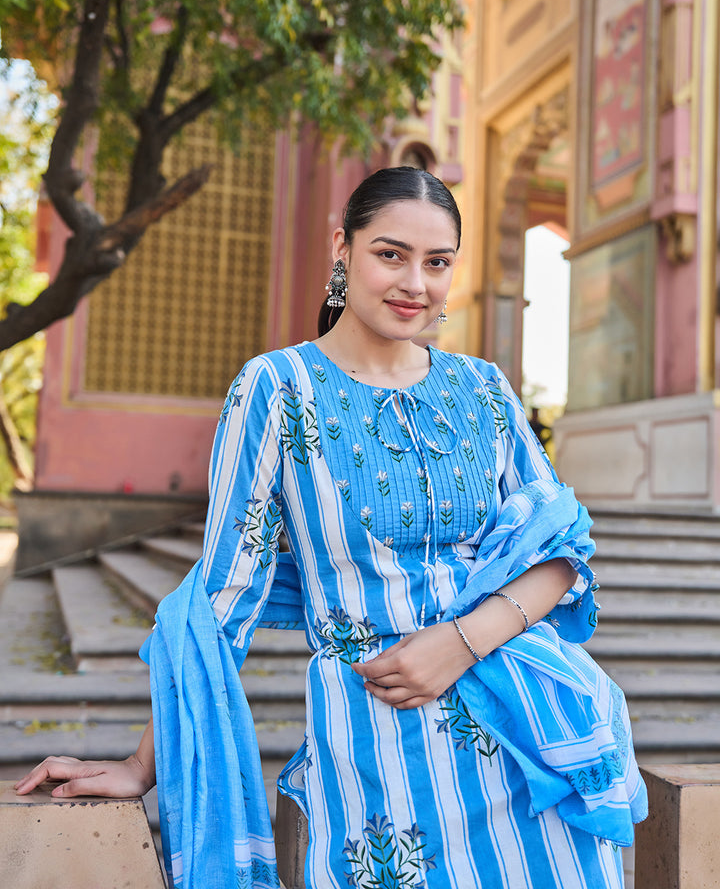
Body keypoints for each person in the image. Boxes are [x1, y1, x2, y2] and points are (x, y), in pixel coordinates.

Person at [16, 167, 647, 889]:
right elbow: (218, 599)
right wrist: (142, 765)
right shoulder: (278, 389)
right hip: (381, 747)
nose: (415, 282)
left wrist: (459, 642)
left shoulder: (484, 389)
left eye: (437, 262)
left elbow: (562, 551)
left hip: (530, 734)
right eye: (391, 254)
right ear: (341, 249)